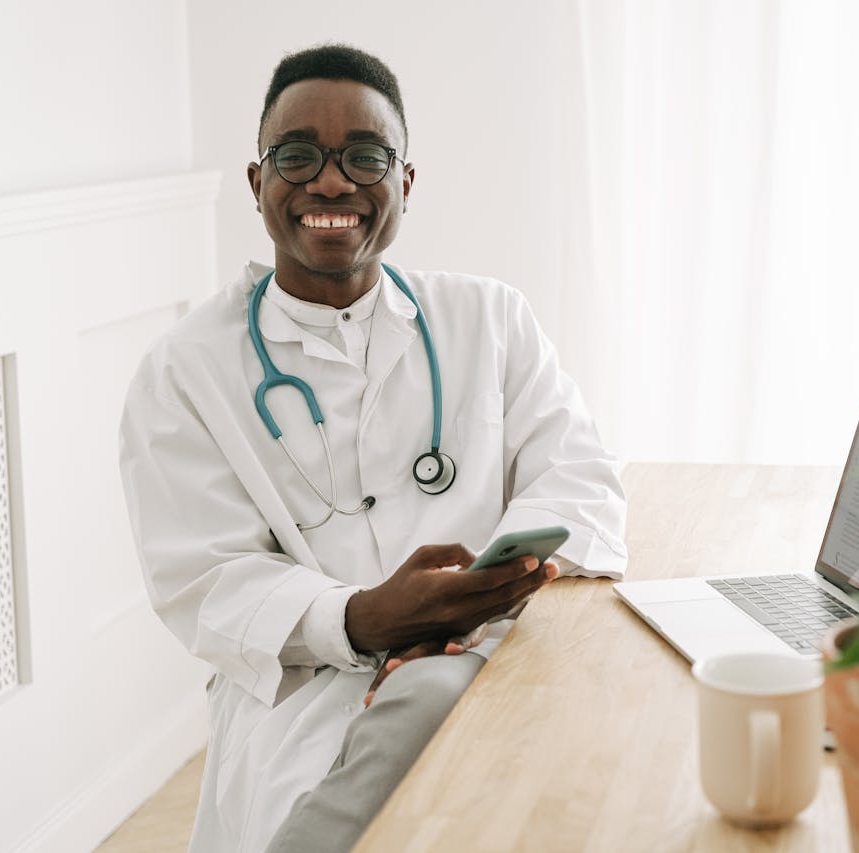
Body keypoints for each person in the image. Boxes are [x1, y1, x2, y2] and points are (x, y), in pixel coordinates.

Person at [119, 43, 626, 852]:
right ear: (257, 184)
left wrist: (456, 614)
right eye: (297, 156)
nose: (331, 181)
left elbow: (581, 481)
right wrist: (363, 618)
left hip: (488, 645)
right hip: (306, 689)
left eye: (365, 156)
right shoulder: (186, 368)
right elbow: (203, 580)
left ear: (405, 184)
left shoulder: (489, 320)